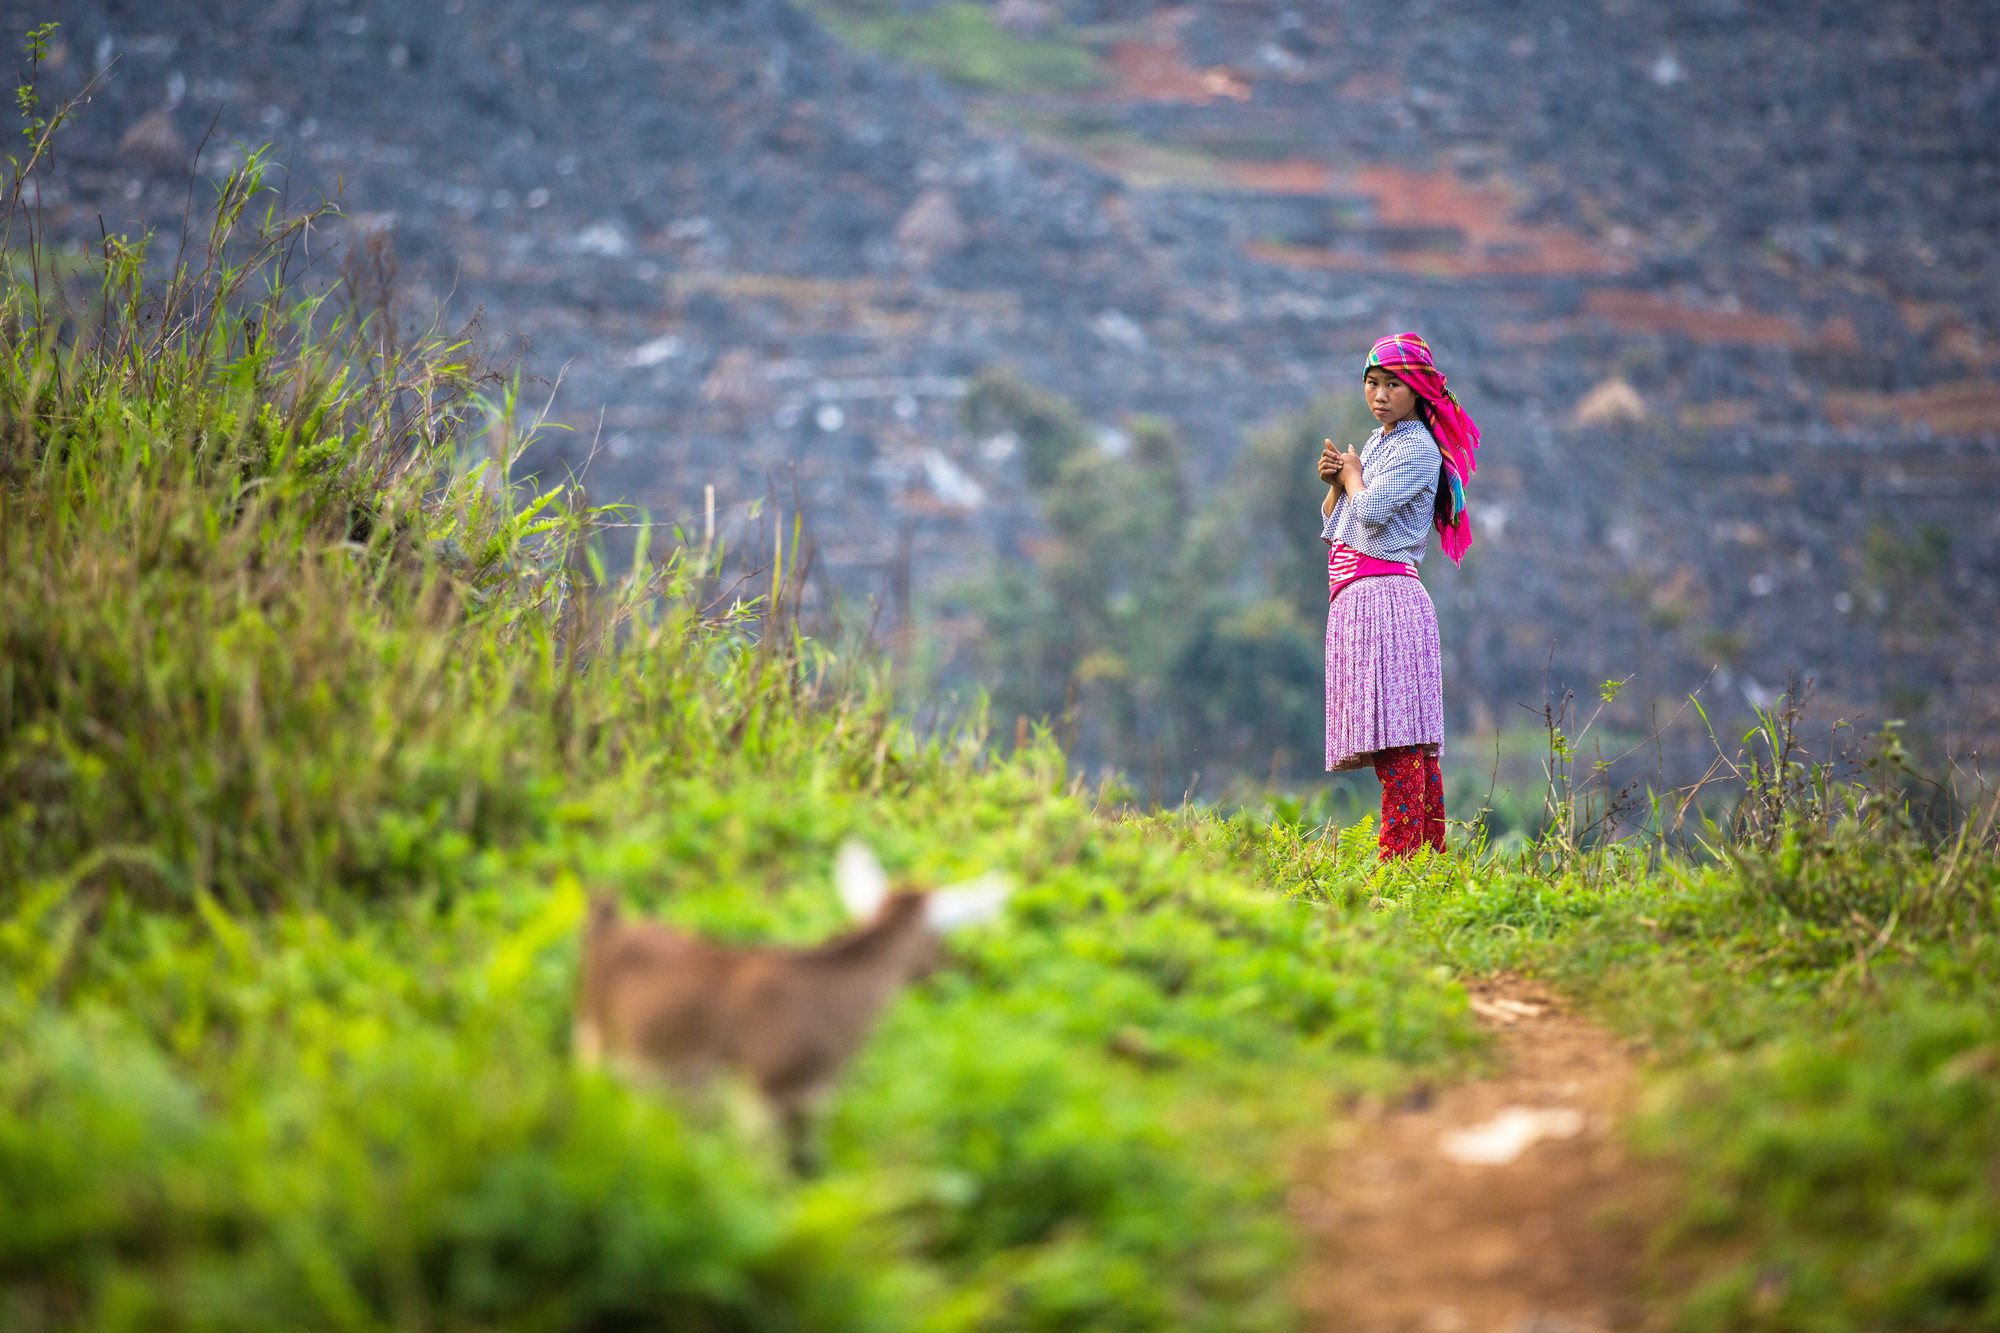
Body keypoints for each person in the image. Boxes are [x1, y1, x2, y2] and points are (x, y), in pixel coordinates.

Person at [1318, 333, 1479, 859]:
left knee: (1398, 742)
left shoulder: (1416, 447)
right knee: (1401, 740)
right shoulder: (1379, 441)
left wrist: (1354, 478)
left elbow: (1372, 513)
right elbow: (1340, 522)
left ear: (1419, 391)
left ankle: (1400, 859)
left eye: (1393, 384)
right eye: (1372, 383)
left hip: (1386, 599)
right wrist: (1337, 484)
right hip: (1361, 599)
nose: (1380, 394)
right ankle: (1425, 861)